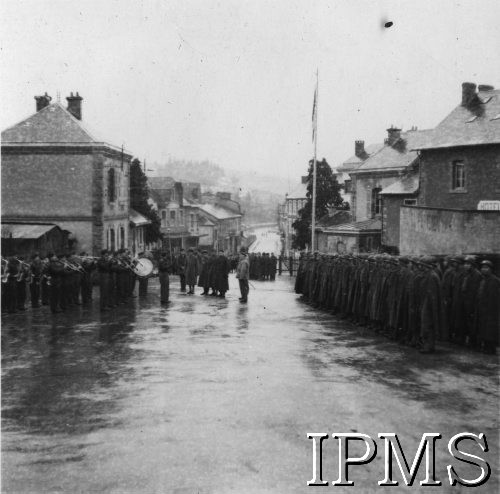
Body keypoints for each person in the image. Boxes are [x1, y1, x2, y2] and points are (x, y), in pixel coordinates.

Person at [475, 260, 500, 354]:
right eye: (482, 268)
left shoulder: (494, 281)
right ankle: (485, 346)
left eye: (486, 268)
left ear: (491, 269)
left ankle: (491, 348)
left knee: (490, 330)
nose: (483, 270)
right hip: (482, 308)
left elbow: (494, 298)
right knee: (483, 329)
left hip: (491, 310)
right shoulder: (483, 280)